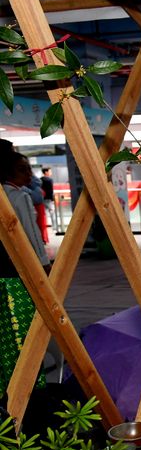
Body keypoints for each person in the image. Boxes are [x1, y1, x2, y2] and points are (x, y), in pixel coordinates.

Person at [1, 150, 50, 397]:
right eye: (23, 169)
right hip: (17, 276)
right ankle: (29, 383)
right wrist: (43, 264)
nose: (28, 174)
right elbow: (32, 236)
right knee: (24, 329)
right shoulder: (19, 197)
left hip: (6, 273)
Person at [40, 167, 54, 233]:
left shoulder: (40, 180)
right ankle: (54, 226)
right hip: (48, 199)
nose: (51, 173)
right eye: (50, 171)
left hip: (42, 199)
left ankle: (45, 227)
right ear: (46, 172)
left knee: (44, 214)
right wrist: (52, 199)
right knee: (52, 213)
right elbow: (51, 191)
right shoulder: (50, 180)